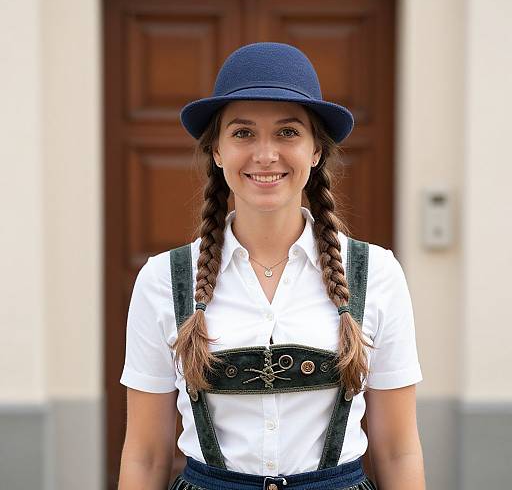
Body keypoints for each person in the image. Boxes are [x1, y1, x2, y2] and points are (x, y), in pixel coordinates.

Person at [118, 42, 425, 490]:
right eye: (243, 133)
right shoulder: (163, 280)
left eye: (287, 133)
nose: (265, 155)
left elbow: (399, 450)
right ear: (217, 152)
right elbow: (145, 457)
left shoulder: (375, 273)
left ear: (316, 150)